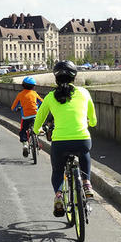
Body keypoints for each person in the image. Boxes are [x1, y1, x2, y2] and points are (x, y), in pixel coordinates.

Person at [33, 60, 97, 217]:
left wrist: (37, 130)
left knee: (57, 170)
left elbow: (37, 122)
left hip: (60, 142)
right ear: (74, 77)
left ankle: (59, 196)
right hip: (82, 139)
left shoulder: (49, 97)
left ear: (56, 78)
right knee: (84, 153)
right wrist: (89, 123)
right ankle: (86, 183)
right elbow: (94, 121)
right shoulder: (84, 93)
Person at [11, 76, 43, 157]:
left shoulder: (20, 94)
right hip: (35, 115)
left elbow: (13, 107)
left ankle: (25, 144)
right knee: (38, 123)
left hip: (25, 117)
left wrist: (16, 109)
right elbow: (42, 102)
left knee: (23, 131)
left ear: (23, 85)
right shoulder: (34, 93)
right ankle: (40, 130)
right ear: (33, 86)